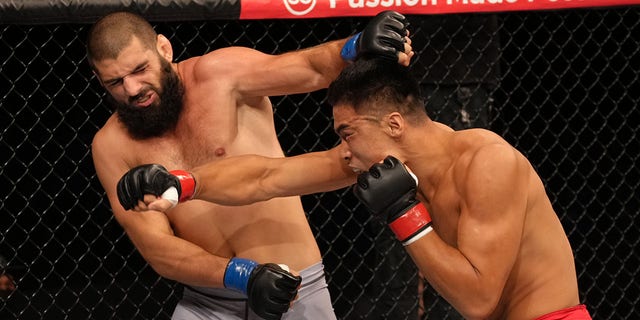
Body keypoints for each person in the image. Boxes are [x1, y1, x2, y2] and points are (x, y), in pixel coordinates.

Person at [117, 58, 592, 319]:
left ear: (393, 123)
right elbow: (267, 176)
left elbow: (477, 299)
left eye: (347, 134)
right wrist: (181, 183)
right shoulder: (387, 162)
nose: (343, 152)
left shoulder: (489, 163)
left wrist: (406, 216)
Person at [87, 10, 413, 320]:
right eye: (115, 82)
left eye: (140, 70)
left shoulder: (220, 73)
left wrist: (356, 46)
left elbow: (310, 67)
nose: (132, 89)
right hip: (207, 300)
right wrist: (241, 276)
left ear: (164, 49)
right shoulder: (111, 145)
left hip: (295, 288)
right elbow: (158, 248)